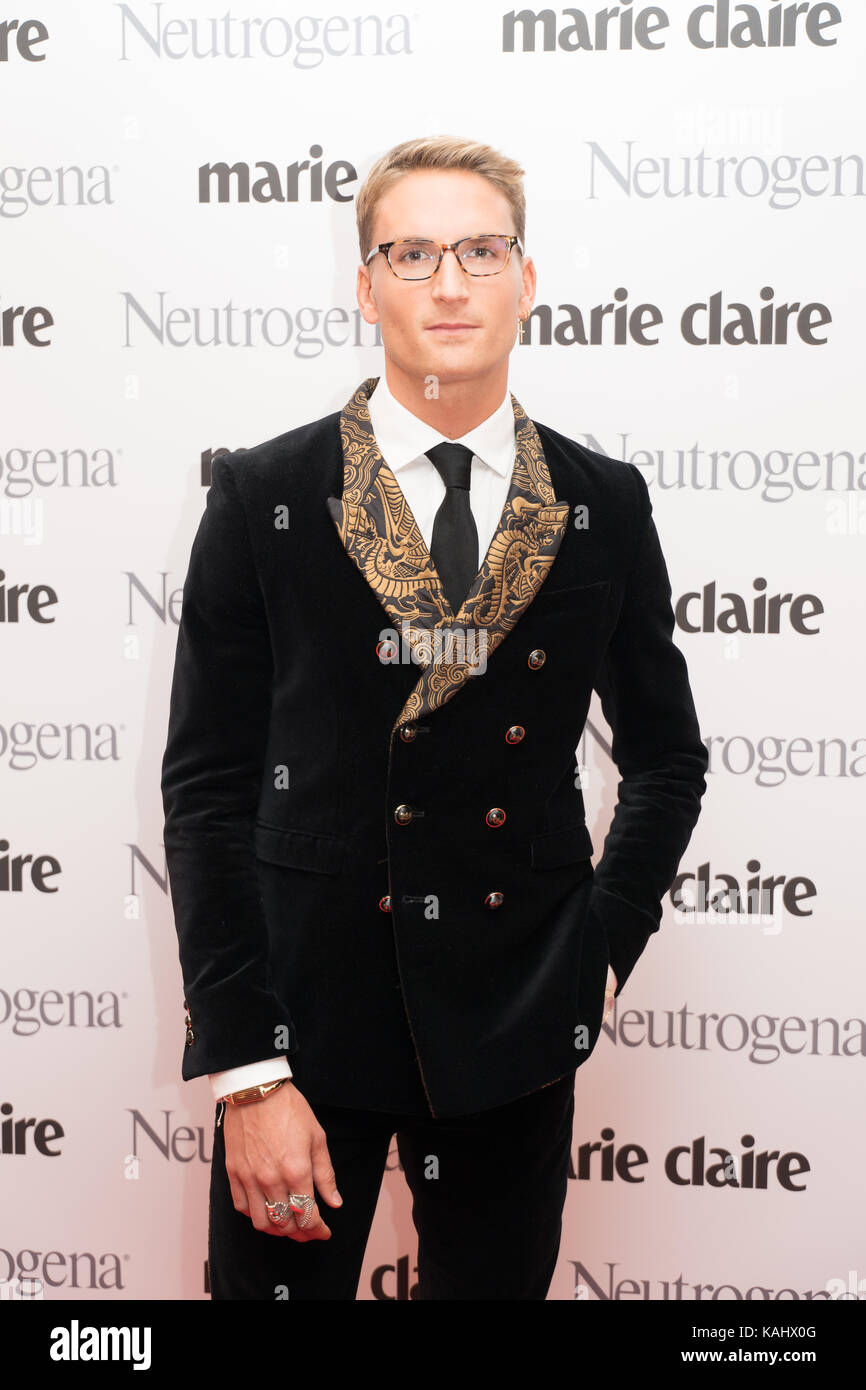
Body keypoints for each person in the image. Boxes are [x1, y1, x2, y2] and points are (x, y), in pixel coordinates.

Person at [160, 134, 708, 1301]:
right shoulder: (264, 492)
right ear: (364, 286)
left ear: (526, 278)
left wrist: (597, 950)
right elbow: (208, 788)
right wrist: (248, 1069)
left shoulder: (599, 501)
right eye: (410, 253)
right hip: (307, 1029)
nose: (448, 282)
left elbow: (664, 759)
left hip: (513, 1020)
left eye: (478, 249)